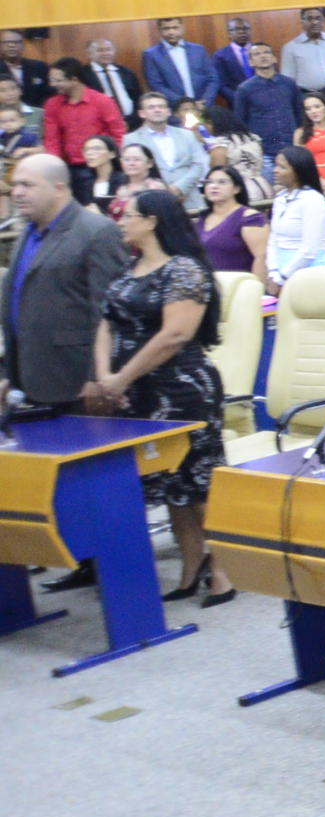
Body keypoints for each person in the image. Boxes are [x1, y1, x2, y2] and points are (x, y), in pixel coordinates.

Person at [83, 188, 232, 602]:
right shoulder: (128, 268)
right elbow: (105, 323)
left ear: (151, 222)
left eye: (127, 215)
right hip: (138, 392)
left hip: (182, 390)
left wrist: (122, 377)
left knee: (199, 481)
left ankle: (224, 569)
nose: (120, 222)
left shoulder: (184, 270)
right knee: (171, 485)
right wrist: (106, 376)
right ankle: (190, 567)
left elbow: (175, 335)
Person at [6, 154, 130, 441]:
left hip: (76, 384)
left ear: (59, 188)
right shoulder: (27, 233)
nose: (17, 193)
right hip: (27, 380)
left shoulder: (97, 232)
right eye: (15, 185)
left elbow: (111, 312)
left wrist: (97, 377)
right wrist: (8, 374)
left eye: (27, 185)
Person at [123, 91, 207, 211]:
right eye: (151, 107)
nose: (157, 110)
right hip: (153, 201)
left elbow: (198, 164)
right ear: (142, 113)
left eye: (161, 106)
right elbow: (132, 170)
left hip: (190, 198)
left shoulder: (187, 135)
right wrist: (163, 190)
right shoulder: (131, 139)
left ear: (168, 112)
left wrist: (179, 188)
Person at [264, 144, 325, 290]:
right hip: (280, 269)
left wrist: (282, 278)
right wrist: (273, 272)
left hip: (309, 272)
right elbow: (273, 239)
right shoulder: (280, 198)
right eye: (276, 165)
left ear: (298, 171)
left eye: (282, 167)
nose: (275, 170)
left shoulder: (313, 200)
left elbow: (309, 250)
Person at [197, 164, 268, 280]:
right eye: (209, 182)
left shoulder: (250, 218)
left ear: (237, 188)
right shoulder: (203, 218)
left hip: (240, 284)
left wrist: (258, 287)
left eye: (222, 182)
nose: (214, 186)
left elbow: (261, 258)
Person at [232, 43, 301, 160]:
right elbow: (240, 121)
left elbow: (299, 113)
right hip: (264, 150)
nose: (263, 56)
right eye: (257, 54)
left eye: (266, 52)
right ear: (250, 62)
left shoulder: (289, 83)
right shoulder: (244, 89)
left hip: (292, 146)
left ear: (274, 58)